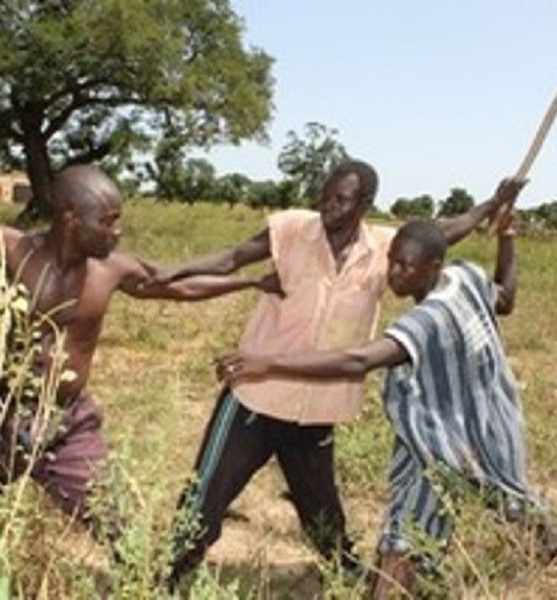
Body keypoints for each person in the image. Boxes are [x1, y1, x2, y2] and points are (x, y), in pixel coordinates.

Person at [0, 65, 277, 555]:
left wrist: (251, 281)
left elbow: (177, 286)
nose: (118, 233)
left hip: (68, 426)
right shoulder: (14, 250)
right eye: (109, 222)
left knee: (122, 537)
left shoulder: (110, 270)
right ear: (71, 220)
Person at [158, 157, 527, 586]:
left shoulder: (384, 250)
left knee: (322, 511)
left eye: (341, 199)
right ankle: (169, 576)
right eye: (325, 196)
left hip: (318, 407)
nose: (328, 206)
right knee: (206, 497)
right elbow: (233, 258)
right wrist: (171, 272)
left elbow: (440, 234)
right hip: (256, 397)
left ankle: (342, 572)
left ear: (365, 203)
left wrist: (492, 205)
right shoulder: (294, 228)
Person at [217, 209, 557, 597]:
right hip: (488, 424)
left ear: (433, 266)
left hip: (449, 436)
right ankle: (545, 541)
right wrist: (507, 238)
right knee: (476, 502)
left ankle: (396, 585)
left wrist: (267, 361)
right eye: (392, 260)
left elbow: (358, 360)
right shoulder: (465, 277)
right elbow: (504, 297)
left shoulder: (426, 320)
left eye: (406, 266)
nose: (395, 273)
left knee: (454, 514)